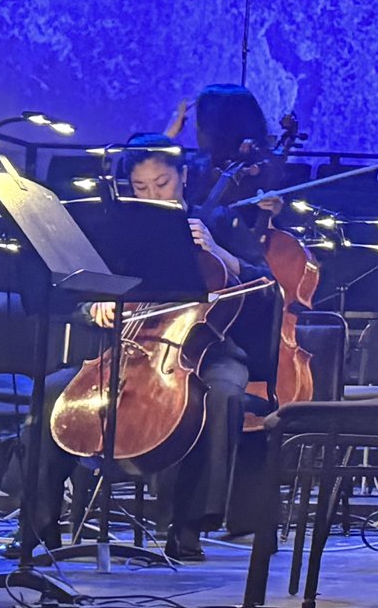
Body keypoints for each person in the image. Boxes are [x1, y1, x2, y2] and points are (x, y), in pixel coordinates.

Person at [40, 135, 262, 561]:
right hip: (130, 347)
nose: (152, 194)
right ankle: (37, 523)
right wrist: (98, 304)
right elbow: (80, 294)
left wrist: (216, 252)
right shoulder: (122, 230)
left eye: (161, 183)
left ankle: (188, 526)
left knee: (221, 398)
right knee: (52, 390)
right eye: (141, 188)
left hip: (208, 350)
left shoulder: (219, 219)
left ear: (182, 176)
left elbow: (263, 284)